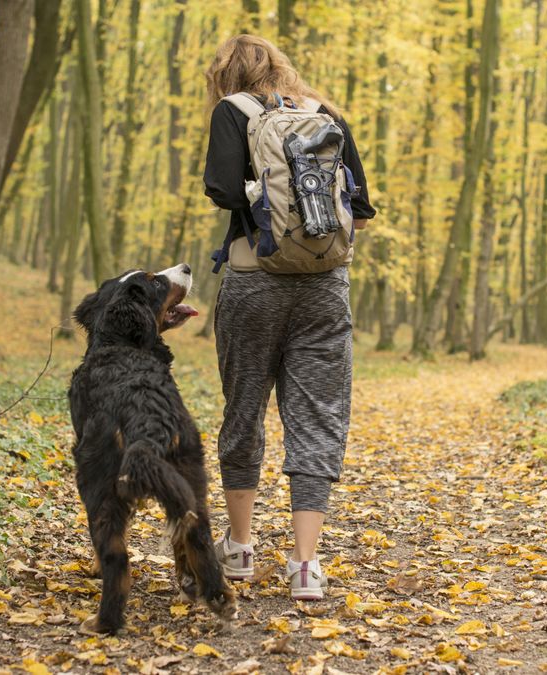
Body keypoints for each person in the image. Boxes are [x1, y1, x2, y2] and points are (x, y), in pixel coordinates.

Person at [202, 34, 375, 601]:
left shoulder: (234, 113)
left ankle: (242, 547)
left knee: (244, 408)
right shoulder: (324, 114)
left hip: (254, 284)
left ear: (227, 75)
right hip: (325, 288)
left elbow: (223, 190)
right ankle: (305, 566)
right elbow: (363, 211)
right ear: (282, 69)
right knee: (318, 415)